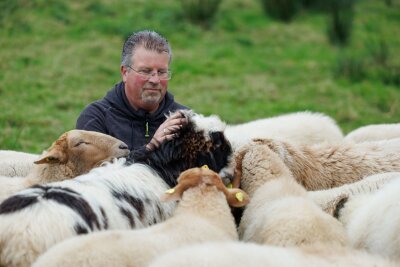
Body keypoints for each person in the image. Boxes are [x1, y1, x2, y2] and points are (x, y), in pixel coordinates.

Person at [76, 30, 188, 154]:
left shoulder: (185, 120)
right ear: (125, 72)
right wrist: (151, 148)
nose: (155, 80)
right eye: (146, 71)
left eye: (161, 72)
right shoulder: (96, 119)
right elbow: (97, 173)